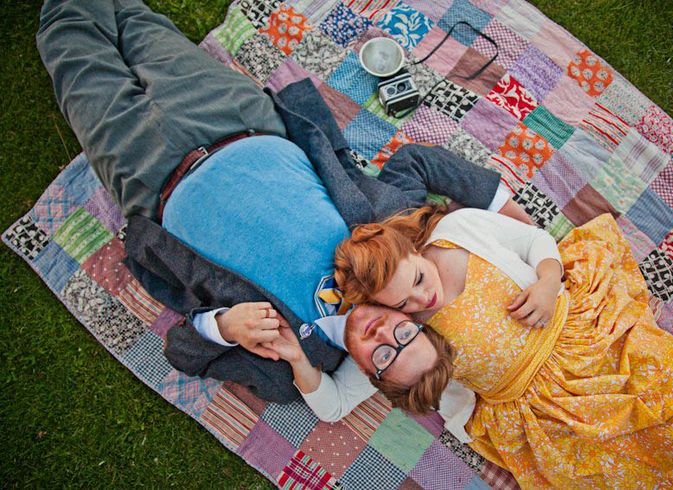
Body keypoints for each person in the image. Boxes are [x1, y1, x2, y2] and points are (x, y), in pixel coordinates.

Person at [36, 0, 530, 402]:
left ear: (367, 375)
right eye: (405, 336)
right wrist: (510, 212)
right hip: (234, 117)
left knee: (70, 45)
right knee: (137, 25)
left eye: (384, 358)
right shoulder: (391, 251)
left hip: (148, 175)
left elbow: (184, 353)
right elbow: (419, 163)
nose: (385, 336)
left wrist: (225, 327)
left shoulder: (295, 366)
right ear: (413, 322)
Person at [328, 206, 673, 489]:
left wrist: (546, 282)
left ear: (414, 250)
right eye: (403, 304)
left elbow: (533, 240)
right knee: (615, 469)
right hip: (538, 405)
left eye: (417, 280)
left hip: (580, 338)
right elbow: (387, 373)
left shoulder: (459, 231)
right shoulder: (407, 331)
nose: (422, 300)